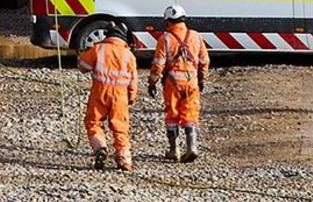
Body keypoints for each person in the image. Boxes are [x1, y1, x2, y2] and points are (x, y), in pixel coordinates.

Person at [152, 13, 213, 163]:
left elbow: (158, 64)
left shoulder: (165, 38)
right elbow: (204, 60)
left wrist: (152, 82)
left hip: (172, 83)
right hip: (191, 82)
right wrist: (202, 79)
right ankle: (192, 147)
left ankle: (174, 150)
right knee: (190, 113)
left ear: (168, 21)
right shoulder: (196, 36)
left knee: (172, 115)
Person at [77, 23, 140, 170]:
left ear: (108, 35)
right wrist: (131, 97)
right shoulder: (129, 55)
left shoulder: (98, 49)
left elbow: (82, 67)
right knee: (120, 128)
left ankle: (100, 147)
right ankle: (124, 160)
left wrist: (83, 54)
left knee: (93, 122)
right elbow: (133, 80)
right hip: (120, 95)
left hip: (100, 91)